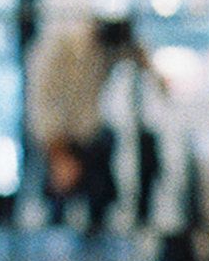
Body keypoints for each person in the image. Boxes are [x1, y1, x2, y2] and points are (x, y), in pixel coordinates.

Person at [27, 14, 155, 235]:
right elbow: (42, 102)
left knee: (100, 201)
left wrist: (156, 74)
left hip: (89, 134)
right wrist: (58, 154)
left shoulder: (106, 48)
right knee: (57, 206)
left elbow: (134, 53)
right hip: (57, 138)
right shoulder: (61, 47)